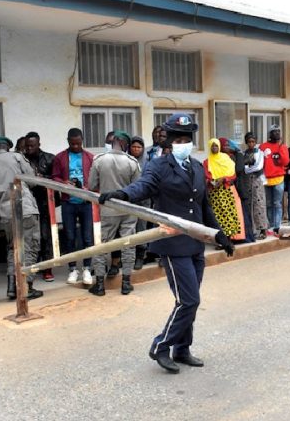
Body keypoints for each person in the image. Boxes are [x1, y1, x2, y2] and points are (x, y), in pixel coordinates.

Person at [98, 113, 234, 374]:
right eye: (179, 139)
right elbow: (143, 187)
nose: (184, 143)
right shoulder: (159, 166)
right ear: (170, 142)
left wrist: (219, 234)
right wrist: (122, 194)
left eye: (187, 139)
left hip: (195, 245)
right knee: (189, 300)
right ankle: (161, 346)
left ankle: (182, 349)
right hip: (172, 244)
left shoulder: (195, 167)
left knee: (189, 299)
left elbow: (204, 205)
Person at [0, 136, 43, 300]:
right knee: (30, 247)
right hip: (26, 208)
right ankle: (26, 287)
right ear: (7, 146)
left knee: (12, 247)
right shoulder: (16, 156)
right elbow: (33, 180)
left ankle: (12, 287)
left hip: (5, 212)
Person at [89, 131, 141, 296]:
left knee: (102, 245)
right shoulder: (132, 163)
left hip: (107, 210)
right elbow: (137, 188)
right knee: (128, 245)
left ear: (113, 143)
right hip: (128, 209)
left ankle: (99, 285)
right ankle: (126, 283)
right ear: (125, 145)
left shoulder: (99, 160)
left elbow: (91, 185)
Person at [52, 128, 94, 285]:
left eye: (78, 143)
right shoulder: (60, 157)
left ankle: (87, 268)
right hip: (68, 202)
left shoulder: (90, 157)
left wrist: (87, 187)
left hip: (85, 202)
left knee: (87, 237)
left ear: (82, 140)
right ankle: (72, 269)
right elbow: (54, 176)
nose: (76, 146)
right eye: (72, 143)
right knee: (69, 236)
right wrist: (64, 183)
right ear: (68, 141)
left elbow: (95, 178)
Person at [24, 131, 56, 282]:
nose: (29, 148)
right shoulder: (21, 159)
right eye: (27, 146)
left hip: (44, 203)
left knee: (45, 236)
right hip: (27, 203)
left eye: (32, 145)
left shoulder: (49, 158)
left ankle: (47, 269)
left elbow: (58, 179)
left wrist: (44, 179)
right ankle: (33, 266)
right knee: (30, 237)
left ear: (39, 144)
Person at [203, 138, 245, 242]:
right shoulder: (207, 161)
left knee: (229, 215)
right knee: (217, 216)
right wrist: (212, 181)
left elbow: (233, 174)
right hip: (214, 192)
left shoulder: (226, 158)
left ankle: (229, 239)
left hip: (227, 190)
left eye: (216, 146)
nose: (214, 148)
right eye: (212, 146)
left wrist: (223, 179)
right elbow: (206, 175)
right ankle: (221, 240)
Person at [259, 124, 290, 234]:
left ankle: (277, 226)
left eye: (278, 131)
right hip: (266, 180)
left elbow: (285, 162)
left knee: (277, 203)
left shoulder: (283, 146)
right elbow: (259, 163)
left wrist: (281, 147)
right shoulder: (263, 147)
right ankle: (270, 225)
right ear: (270, 134)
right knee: (268, 203)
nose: (277, 133)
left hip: (278, 179)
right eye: (274, 131)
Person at [239, 132, 268, 240]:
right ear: (246, 142)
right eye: (249, 142)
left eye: (253, 142)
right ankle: (252, 230)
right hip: (247, 182)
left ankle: (263, 229)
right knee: (249, 205)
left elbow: (258, 166)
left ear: (255, 142)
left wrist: (248, 167)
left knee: (259, 204)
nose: (251, 144)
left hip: (257, 181)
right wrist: (248, 167)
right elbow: (243, 168)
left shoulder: (260, 152)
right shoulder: (244, 153)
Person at [129, 135, 148, 270]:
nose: (136, 149)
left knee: (141, 228)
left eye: (139, 147)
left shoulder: (148, 162)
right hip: (129, 200)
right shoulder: (126, 161)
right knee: (128, 229)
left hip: (144, 200)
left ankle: (140, 257)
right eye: (134, 147)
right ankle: (128, 258)